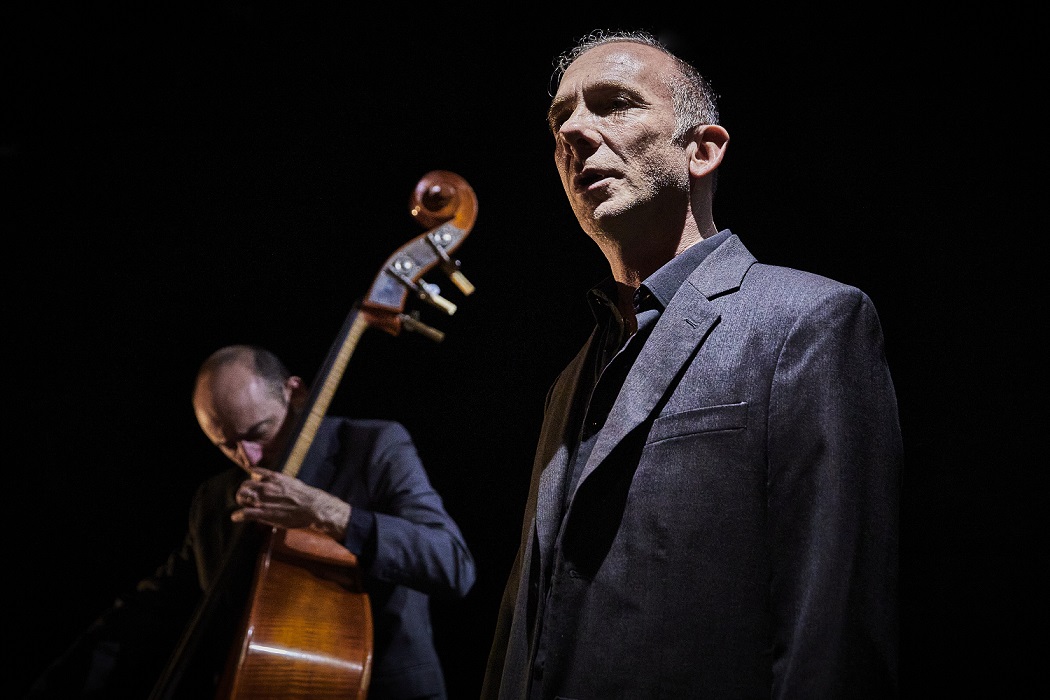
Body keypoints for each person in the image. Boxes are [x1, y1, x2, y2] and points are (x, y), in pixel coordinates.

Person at [482, 29, 901, 699]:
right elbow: (523, 630)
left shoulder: (810, 320)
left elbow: (835, 625)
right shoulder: (568, 380)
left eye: (614, 103)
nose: (576, 133)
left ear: (702, 150)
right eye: (561, 119)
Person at [27, 344, 476, 700]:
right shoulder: (215, 500)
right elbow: (148, 609)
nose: (249, 458)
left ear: (295, 392)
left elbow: (452, 564)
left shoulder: (373, 446)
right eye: (228, 445)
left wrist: (330, 512)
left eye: (258, 433)